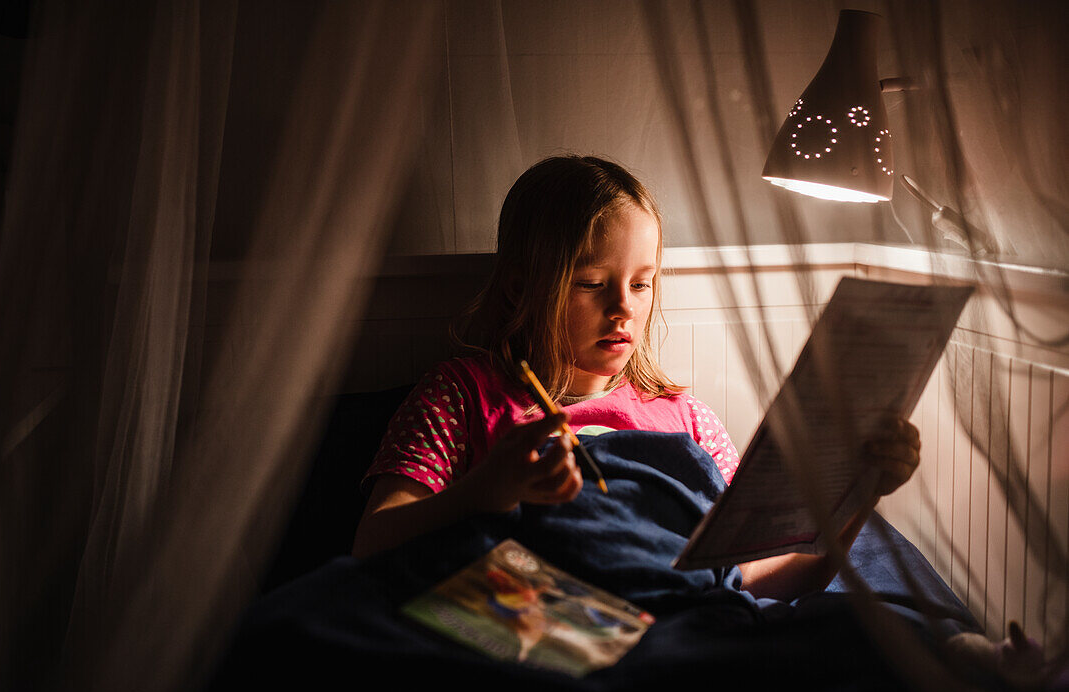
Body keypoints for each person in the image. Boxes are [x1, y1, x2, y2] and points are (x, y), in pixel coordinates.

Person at [352, 155, 920, 603]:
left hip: (680, 612)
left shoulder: (684, 414)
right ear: (521, 290)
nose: (623, 308)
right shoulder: (462, 394)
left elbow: (775, 572)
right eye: (592, 283)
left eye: (642, 284)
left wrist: (862, 488)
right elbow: (373, 543)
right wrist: (485, 493)